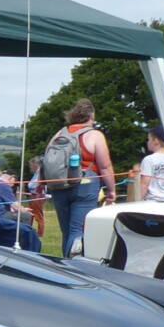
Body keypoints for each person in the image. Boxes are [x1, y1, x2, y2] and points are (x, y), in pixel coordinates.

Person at [42, 100, 116, 257]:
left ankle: (65, 263)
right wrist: (111, 190)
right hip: (85, 185)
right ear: (91, 116)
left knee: (66, 231)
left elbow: (47, 161)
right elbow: (105, 166)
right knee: (77, 230)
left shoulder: (59, 134)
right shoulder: (95, 135)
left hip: (58, 185)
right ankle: (73, 265)